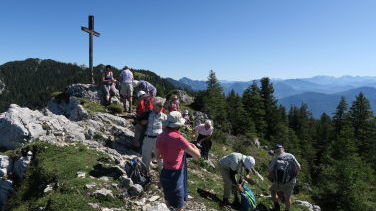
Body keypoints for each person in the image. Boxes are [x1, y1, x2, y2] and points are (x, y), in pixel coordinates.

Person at [156, 111, 201, 211]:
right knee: (179, 205)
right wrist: (195, 147)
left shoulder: (160, 136)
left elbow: (158, 156)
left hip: (165, 172)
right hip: (176, 174)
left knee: (168, 198)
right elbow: (197, 156)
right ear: (178, 125)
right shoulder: (180, 138)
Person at [268, 144, 301, 211]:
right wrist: (293, 176)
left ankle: (277, 207)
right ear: (283, 149)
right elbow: (299, 167)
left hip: (280, 182)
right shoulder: (291, 156)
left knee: (273, 191)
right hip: (291, 181)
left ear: (275, 151)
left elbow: (270, 170)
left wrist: (273, 177)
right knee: (288, 198)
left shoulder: (276, 157)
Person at [138, 97, 167, 172]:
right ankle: (145, 174)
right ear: (154, 105)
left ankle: (162, 176)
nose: (162, 107)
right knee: (145, 158)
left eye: (162, 106)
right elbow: (139, 121)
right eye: (160, 106)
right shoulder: (147, 114)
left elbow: (165, 129)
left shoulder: (164, 116)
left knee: (160, 159)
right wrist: (143, 122)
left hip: (159, 140)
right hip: (148, 138)